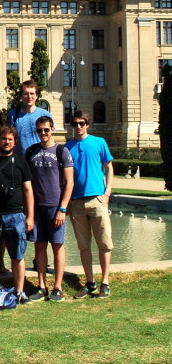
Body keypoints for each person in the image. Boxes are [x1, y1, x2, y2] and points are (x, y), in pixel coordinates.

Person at [65, 110, 114, 300]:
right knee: (84, 246)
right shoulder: (67, 148)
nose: (78, 127)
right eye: (75, 123)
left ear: (87, 124)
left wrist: (107, 192)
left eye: (82, 123)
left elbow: (109, 167)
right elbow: (65, 178)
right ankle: (90, 282)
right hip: (76, 202)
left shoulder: (99, 142)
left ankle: (105, 282)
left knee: (104, 243)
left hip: (97, 199)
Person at [26, 116, 74, 302]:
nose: (43, 133)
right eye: (39, 130)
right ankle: (41, 286)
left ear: (52, 129)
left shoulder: (62, 151)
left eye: (46, 130)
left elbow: (69, 182)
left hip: (55, 206)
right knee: (39, 246)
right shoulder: (31, 151)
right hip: (37, 206)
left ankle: (58, 287)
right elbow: (27, 182)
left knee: (57, 246)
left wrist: (62, 209)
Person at [0, 126, 34, 304]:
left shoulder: (21, 162)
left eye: (10, 139)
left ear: (15, 142)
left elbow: (28, 190)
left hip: (15, 214)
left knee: (18, 255)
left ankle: (19, 291)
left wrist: (30, 216)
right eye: (4, 139)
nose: (6, 142)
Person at [6, 80, 51, 155]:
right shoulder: (13, 115)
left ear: (37, 96)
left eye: (32, 93)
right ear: (21, 96)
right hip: (19, 160)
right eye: (26, 94)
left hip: (40, 159)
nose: (29, 97)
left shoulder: (45, 115)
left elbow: (51, 138)